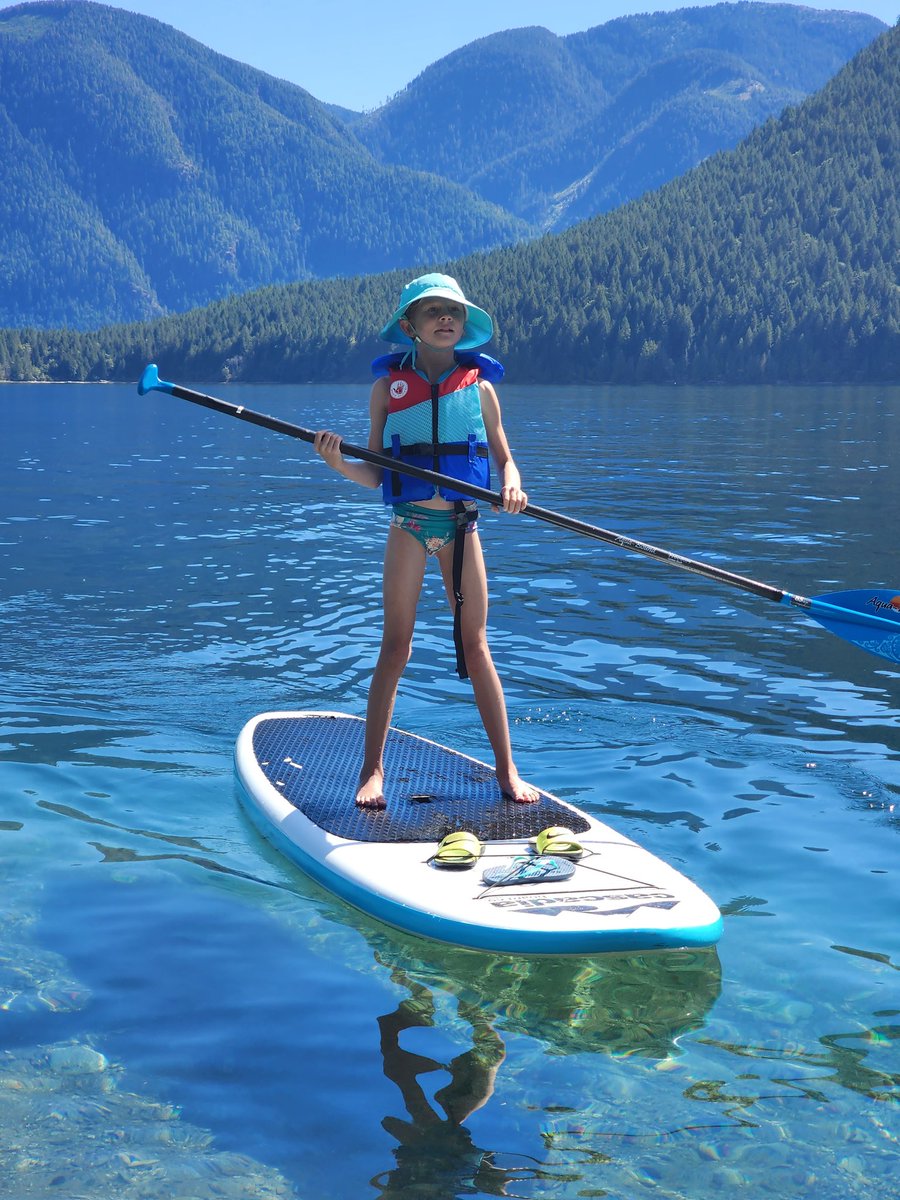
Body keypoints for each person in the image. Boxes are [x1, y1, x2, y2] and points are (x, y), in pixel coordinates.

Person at [314, 273, 538, 810]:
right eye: (432, 311)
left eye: (453, 312)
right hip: (409, 527)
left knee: (476, 646)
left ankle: (507, 770)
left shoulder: (480, 389)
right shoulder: (386, 391)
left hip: (463, 527)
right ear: (410, 326)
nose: (445, 318)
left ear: (464, 325)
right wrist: (338, 463)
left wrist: (512, 484)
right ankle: (372, 771)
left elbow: (504, 457)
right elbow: (375, 473)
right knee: (396, 647)